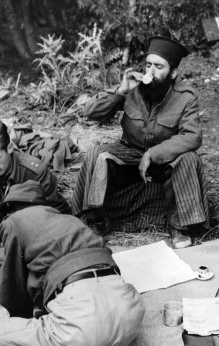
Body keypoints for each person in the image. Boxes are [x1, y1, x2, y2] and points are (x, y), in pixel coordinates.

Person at [71, 36, 209, 249]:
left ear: (173, 73)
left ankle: (179, 226)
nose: (151, 71)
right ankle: (97, 220)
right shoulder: (133, 88)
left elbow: (192, 136)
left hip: (165, 161)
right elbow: (92, 113)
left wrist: (152, 154)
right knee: (98, 153)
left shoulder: (185, 97)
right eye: (148, 64)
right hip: (129, 154)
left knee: (189, 158)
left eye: (159, 66)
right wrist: (121, 91)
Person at [0, 182, 145, 346]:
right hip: (131, 315)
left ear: (11, 207)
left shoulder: (13, 221)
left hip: (83, 330)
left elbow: (12, 283)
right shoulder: (70, 221)